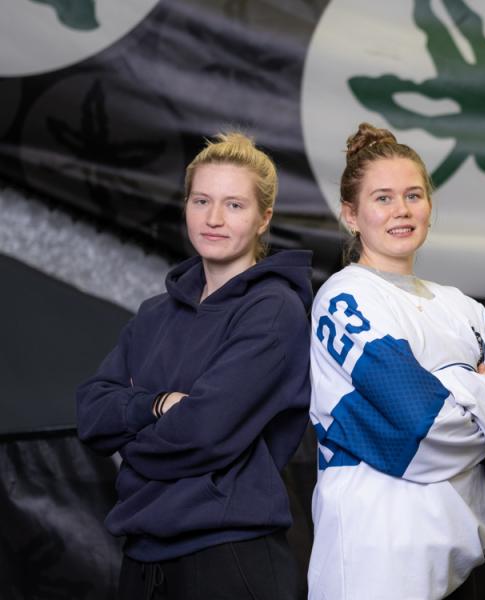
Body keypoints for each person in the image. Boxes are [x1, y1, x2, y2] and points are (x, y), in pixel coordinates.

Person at [306, 123, 485, 600]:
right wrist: (477, 388)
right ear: (351, 215)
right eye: (383, 198)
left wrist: (445, 386)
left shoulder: (461, 307)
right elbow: (421, 424)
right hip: (375, 558)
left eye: (414, 195)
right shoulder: (344, 296)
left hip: (459, 561)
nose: (402, 211)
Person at [76, 132, 312, 599]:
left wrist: (133, 442)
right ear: (185, 206)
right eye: (201, 200)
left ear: (264, 217)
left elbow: (202, 431)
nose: (214, 219)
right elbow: (90, 413)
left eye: (235, 205)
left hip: (228, 558)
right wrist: (157, 406)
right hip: (141, 561)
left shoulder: (274, 311)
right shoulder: (154, 315)